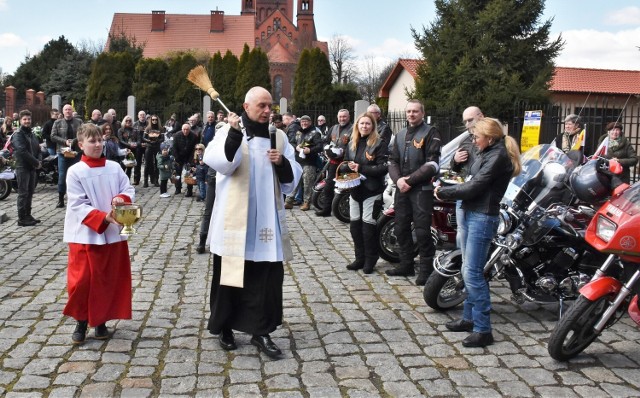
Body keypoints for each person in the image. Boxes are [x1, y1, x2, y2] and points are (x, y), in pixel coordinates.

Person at [204, 86, 302, 359]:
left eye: (270, 106)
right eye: (262, 106)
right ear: (246, 107)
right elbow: (219, 163)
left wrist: (281, 162)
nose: (268, 111)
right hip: (235, 220)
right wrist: (235, 134)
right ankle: (225, 327)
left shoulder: (279, 137)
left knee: (265, 279)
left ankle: (261, 330)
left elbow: (293, 177)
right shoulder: (229, 130)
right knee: (230, 275)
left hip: (266, 220)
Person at [434, 117, 521, 348]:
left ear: (490, 138)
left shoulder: (497, 156)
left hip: (483, 216)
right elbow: (467, 175)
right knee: (467, 269)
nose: (473, 140)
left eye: (476, 137)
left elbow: (476, 185)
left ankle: (483, 329)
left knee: (473, 273)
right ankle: (469, 318)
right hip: (473, 211)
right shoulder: (486, 151)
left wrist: (445, 193)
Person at [62, 123, 136, 345]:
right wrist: (103, 217)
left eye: (99, 140)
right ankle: (81, 321)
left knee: (106, 280)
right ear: (81, 144)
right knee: (82, 281)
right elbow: (77, 204)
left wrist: (121, 199)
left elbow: (128, 188)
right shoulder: (75, 171)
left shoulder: (114, 167)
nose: (96, 144)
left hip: (112, 235)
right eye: (91, 141)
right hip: (85, 235)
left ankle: (101, 321)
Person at [386, 100, 441, 286]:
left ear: (422, 113)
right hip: (402, 189)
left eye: (415, 111)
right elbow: (392, 161)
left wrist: (409, 181)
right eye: (408, 111)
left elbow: (432, 164)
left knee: (422, 231)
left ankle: (426, 270)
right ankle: (406, 264)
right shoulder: (400, 134)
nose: (411, 114)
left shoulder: (430, 132)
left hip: (421, 190)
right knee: (400, 228)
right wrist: (398, 180)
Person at [343, 112, 388, 274]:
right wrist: (345, 172)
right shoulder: (352, 143)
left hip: (372, 190)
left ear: (373, 126)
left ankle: (371, 259)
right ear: (357, 126)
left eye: (368, 124)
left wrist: (361, 168)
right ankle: (359, 258)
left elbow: (383, 168)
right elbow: (347, 162)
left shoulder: (379, 143)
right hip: (355, 190)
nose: (364, 126)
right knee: (355, 227)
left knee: (368, 228)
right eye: (362, 124)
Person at [450, 106, 484, 251]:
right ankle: (462, 264)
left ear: (481, 116)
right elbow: (456, 168)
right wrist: (455, 160)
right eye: (465, 121)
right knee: (462, 232)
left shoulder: (492, 138)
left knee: (477, 234)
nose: (467, 124)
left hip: (482, 194)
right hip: (464, 192)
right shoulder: (465, 140)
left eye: (470, 120)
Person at [315, 109, 353, 217]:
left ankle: (346, 212)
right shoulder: (333, 128)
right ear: (337, 117)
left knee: (347, 187)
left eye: (344, 116)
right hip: (333, 162)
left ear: (348, 117)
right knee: (328, 186)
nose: (342, 119)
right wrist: (326, 150)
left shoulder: (353, 129)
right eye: (340, 117)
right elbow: (326, 141)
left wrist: (344, 152)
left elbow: (355, 145)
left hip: (347, 164)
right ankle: (326, 210)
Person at [196, 120, 226, 254]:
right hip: (214, 180)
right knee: (208, 211)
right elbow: (206, 160)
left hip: (225, 181)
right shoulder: (212, 146)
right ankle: (202, 241)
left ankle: (223, 240)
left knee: (224, 211)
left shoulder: (229, 144)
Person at [284, 115, 322, 211]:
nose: (304, 123)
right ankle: (289, 202)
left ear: (310, 122)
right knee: (295, 181)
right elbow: (291, 143)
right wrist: (296, 147)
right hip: (298, 161)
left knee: (307, 183)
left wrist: (310, 150)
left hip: (309, 162)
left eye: (306, 121)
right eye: (302, 122)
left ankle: (306, 202)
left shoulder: (315, 133)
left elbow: (320, 146)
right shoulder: (298, 132)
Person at [12, 110, 42, 227]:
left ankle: (28, 215)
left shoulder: (32, 134)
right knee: (23, 193)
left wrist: (39, 160)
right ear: (20, 121)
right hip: (22, 167)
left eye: (28, 119)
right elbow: (22, 151)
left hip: (32, 168)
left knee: (30, 192)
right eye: (24, 119)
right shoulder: (18, 134)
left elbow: (38, 149)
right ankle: (21, 218)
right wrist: (35, 162)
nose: (27, 121)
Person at [51, 104, 83, 208]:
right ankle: (61, 199)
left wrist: (73, 141)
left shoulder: (79, 122)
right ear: (63, 111)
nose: (68, 111)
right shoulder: (57, 122)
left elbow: (82, 134)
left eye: (69, 109)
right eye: (66, 110)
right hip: (62, 153)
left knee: (77, 176)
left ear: (72, 110)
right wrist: (65, 142)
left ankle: (77, 198)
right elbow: (53, 136)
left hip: (76, 153)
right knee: (62, 175)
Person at [172, 123, 198, 197]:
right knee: (177, 173)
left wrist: (191, 160)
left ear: (190, 130)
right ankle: (178, 188)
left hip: (189, 156)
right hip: (179, 156)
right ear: (182, 129)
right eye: (184, 129)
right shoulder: (177, 135)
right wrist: (177, 158)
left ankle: (189, 190)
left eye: (187, 129)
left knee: (189, 173)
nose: (186, 131)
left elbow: (194, 149)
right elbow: (174, 148)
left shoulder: (193, 136)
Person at [143, 115, 164, 188]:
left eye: (156, 120)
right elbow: (144, 137)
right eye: (153, 120)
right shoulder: (148, 128)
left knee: (157, 164)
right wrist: (149, 141)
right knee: (147, 164)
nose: (154, 121)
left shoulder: (161, 128)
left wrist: (158, 141)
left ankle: (156, 180)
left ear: (158, 120)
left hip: (157, 147)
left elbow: (163, 138)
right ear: (151, 120)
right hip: (149, 147)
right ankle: (145, 181)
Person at [118, 116, 136, 181]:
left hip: (131, 151)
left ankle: (127, 182)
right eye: (126, 120)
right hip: (123, 150)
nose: (128, 122)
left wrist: (135, 144)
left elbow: (136, 139)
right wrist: (129, 145)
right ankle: (121, 182)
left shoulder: (134, 130)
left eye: (130, 121)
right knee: (122, 167)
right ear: (124, 121)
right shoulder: (120, 130)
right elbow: (121, 140)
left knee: (129, 167)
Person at [131, 111, 147, 185]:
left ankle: (151, 179)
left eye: (143, 115)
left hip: (147, 145)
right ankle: (136, 180)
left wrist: (146, 143)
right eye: (141, 115)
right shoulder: (134, 124)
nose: (142, 116)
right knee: (137, 163)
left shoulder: (148, 124)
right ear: (138, 116)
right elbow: (133, 137)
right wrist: (139, 144)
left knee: (149, 163)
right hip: (138, 146)